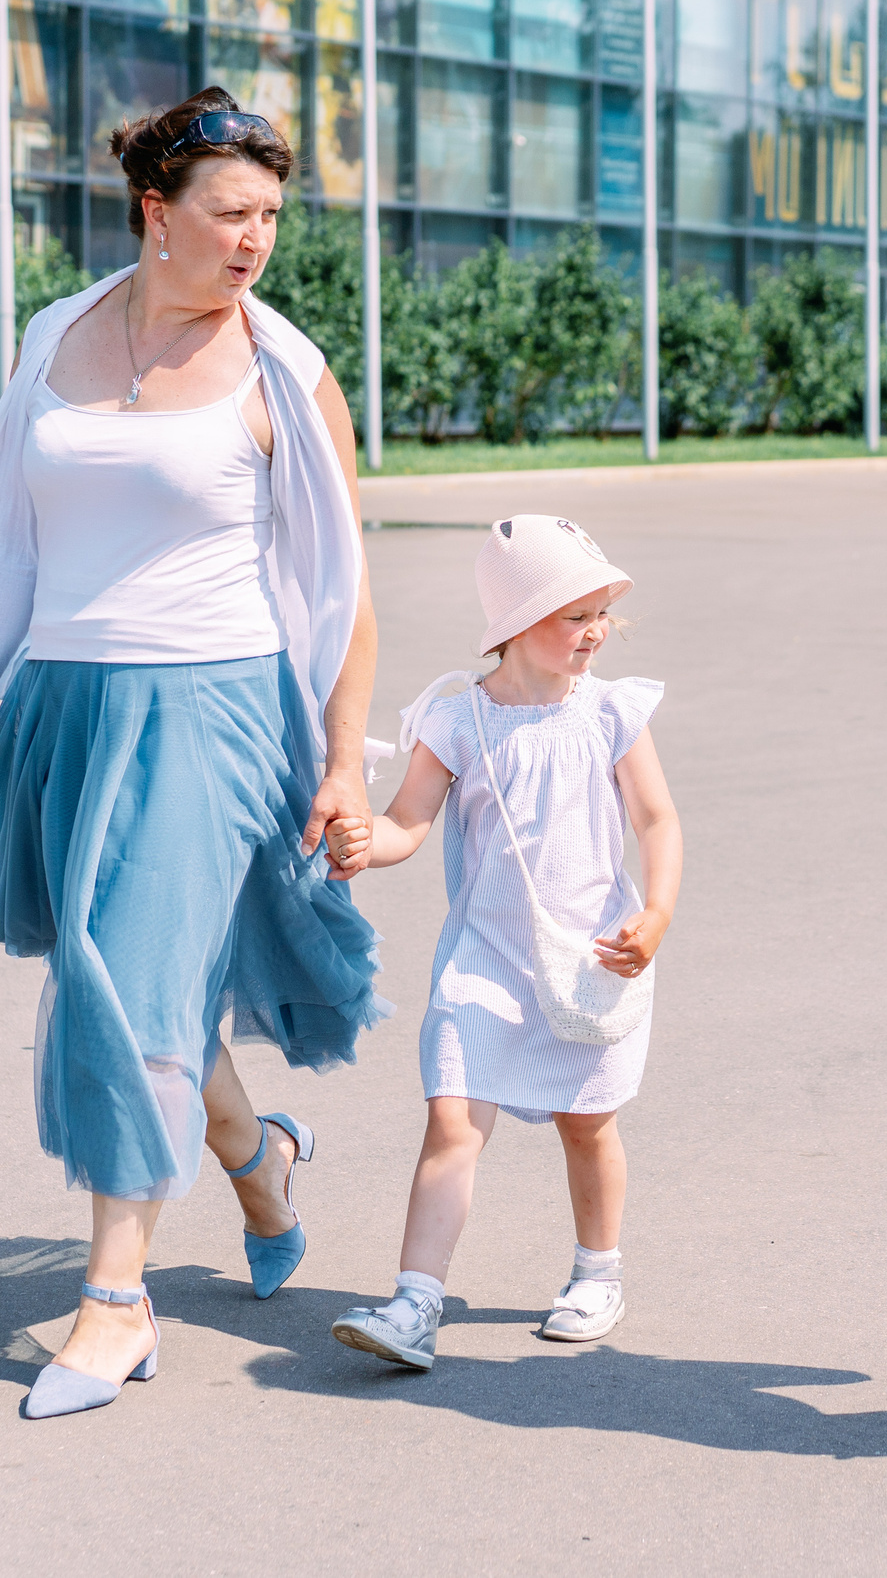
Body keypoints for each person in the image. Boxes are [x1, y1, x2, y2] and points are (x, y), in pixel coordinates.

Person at [0, 88, 388, 1421]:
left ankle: (117, 1298)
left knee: (128, 987)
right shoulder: (58, 333)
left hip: (212, 711)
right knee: (123, 971)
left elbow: (344, 590)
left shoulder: (285, 369)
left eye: (272, 217)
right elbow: (5, 536)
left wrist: (344, 762)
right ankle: (259, 1154)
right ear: (153, 212)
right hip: (65, 702)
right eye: (231, 213)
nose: (254, 241)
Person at [325, 516, 682, 1371]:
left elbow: (658, 818)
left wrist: (658, 911)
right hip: (483, 961)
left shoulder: (609, 713)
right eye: (574, 614)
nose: (595, 630)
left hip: (589, 961)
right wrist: (366, 841)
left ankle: (598, 1270)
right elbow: (410, 822)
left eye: (602, 613)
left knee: (588, 1125)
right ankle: (416, 1302)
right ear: (516, 621)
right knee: (451, 1119)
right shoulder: (457, 721)